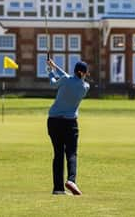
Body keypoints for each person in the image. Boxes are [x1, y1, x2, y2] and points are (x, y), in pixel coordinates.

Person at [46, 57, 90, 196]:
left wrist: (50, 72)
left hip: (53, 121)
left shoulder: (65, 80)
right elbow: (69, 78)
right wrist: (55, 66)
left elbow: (55, 83)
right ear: (82, 73)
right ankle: (71, 180)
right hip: (70, 123)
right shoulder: (85, 87)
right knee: (71, 153)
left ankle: (58, 189)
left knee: (58, 154)